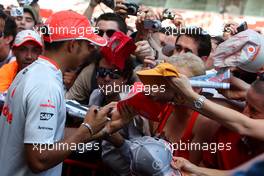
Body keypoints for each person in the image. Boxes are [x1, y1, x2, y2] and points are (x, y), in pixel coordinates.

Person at [0, 10, 130, 176]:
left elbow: (52, 135)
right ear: (73, 45)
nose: (91, 51)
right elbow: (39, 159)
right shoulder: (46, 85)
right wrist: (86, 130)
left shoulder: (34, 71)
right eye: (88, 45)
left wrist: (104, 129)